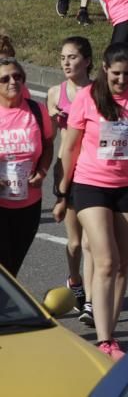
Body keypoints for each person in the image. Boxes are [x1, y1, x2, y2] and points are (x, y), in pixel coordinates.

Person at [54, 43, 128, 360]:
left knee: (121, 267)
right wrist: (62, 193)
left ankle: (110, 334)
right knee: (105, 260)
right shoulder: (88, 97)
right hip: (91, 186)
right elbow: (70, 148)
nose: (122, 80)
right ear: (104, 69)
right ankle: (103, 339)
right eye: (116, 74)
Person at [46, 37, 94, 319]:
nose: (66, 62)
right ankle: (75, 281)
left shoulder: (99, 91)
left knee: (90, 241)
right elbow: (48, 136)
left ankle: (90, 301)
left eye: (73, 57)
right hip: (67, 171)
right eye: (63, 57)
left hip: (93, 170)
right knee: (75, 243)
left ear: (87, 61)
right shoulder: (55, 92)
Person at [0, 57, 53, 276]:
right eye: (4, 78)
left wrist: (42, 171)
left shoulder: (37, 111)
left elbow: (48, 146)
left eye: (17, 76)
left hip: (29, 203)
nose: (13, 82)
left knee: (13, 267)